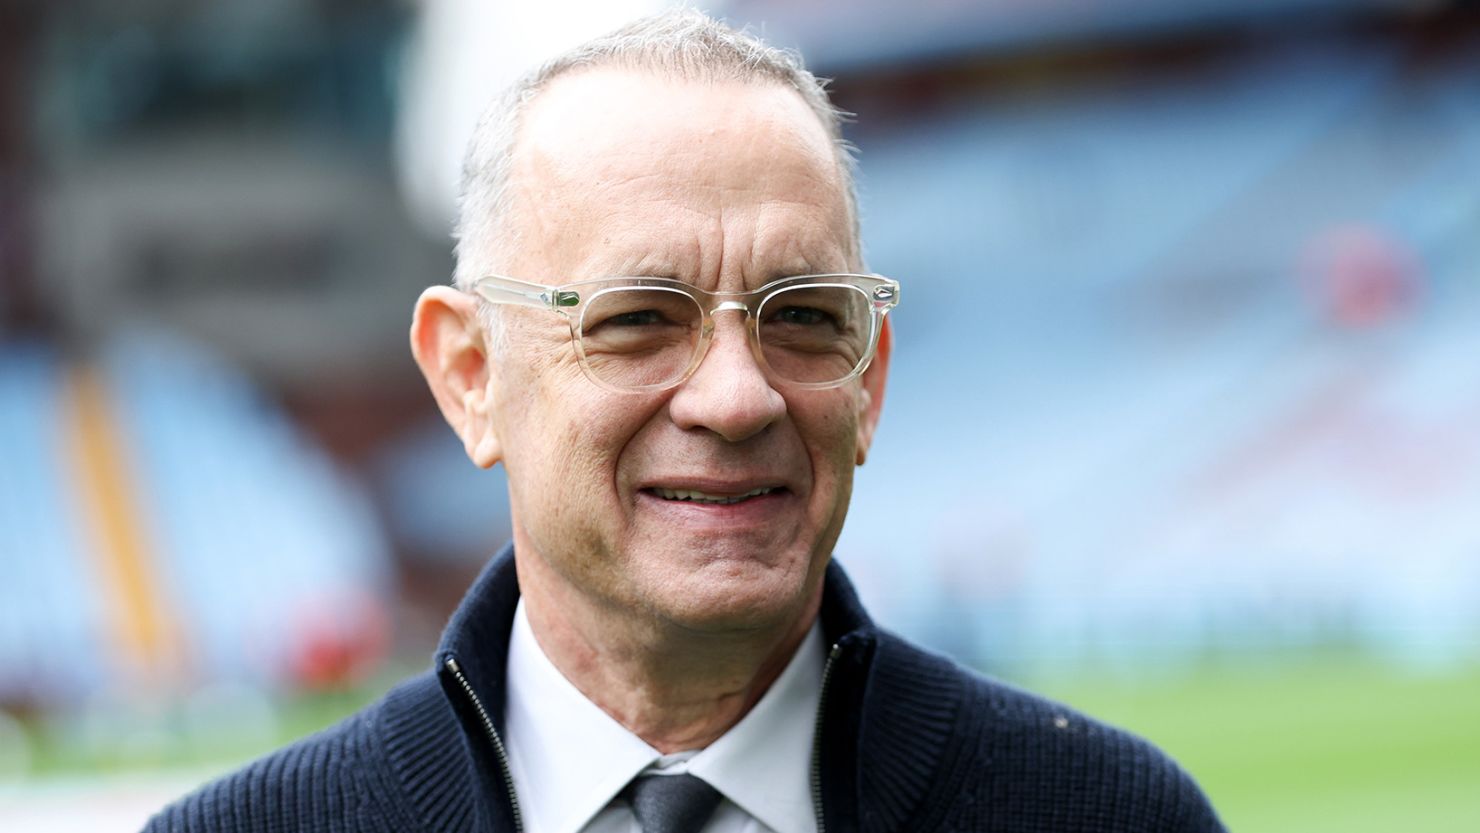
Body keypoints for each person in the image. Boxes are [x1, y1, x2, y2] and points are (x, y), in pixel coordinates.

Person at [146, 10, 1225, 833]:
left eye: (802, 316)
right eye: (636, 319)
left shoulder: (1106, 814)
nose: (735, 395)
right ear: (472, 375)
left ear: (868, 381)